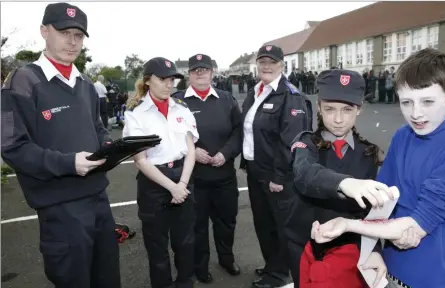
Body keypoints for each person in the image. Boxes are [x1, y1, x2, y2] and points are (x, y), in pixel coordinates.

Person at [310, 48, 445, 288]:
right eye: (406, 102)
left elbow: (417, 225)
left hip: (436, 279)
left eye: (428, 101)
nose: (416, 114)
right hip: (387, 270)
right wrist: (375, 249)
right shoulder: (403, 136)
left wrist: (347, 224)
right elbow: (383, 203)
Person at [1, 3, 121, 288]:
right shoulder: (22, 81)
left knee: (108, 279)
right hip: (60, 208)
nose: (72, 41)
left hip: (99, 200)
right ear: (44, 32)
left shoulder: (85, 83)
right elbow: (12, 146)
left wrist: (110, 147)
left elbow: (98, 127)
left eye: (79, 36)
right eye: (64, 32)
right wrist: (68, 163)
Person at [286, 69, 390, 288]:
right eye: (330, 109)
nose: (338, 119)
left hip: (347, 250)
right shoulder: (306, 142)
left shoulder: (368, 153)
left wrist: (374, 250)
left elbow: (372, 213)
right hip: (303, 245)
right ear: (319, 107)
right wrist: (346, 183)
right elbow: (304, 172)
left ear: (359, 108)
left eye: (347, 109)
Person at [239, 44, 313, 288]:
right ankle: (273, 265)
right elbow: (249, 130)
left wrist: (279, 177)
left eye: (272, 62)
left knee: (282, 227)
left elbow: (291, 140)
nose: (266, 66)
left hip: (276, 175)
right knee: (263, 224)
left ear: (282, 65)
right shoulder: (255, 91)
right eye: (262, 61)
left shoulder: (290, 95)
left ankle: (280, 274)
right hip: (255, 170)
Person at [123, 57, 199, 288]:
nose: (169, 84)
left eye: (172, 79)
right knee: (156, 246)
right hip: (154, 183)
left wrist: (182, 183)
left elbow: (190, 150)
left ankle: (185, 283)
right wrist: (173, 187)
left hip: (182, 178)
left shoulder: (181, 109)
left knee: (185, 242)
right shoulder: (135, 113)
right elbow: (141, 160)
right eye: (163, 79)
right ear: (148, 81)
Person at [172, 54, 243, 283]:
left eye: (204, 69)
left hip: (224, 176)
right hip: (194, 179)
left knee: (226, 222)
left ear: (212, 72)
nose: (200, 73)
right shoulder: (177, 102)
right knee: (197, 226)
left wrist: (226, 153)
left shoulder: (226, 99)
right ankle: (200, 266)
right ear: (188, 74)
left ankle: (226, 258)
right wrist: (192, 151)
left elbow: (238, 132)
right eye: (195, 70)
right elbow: (171, 135)